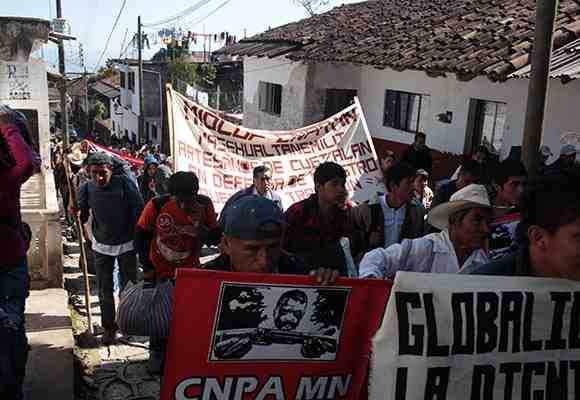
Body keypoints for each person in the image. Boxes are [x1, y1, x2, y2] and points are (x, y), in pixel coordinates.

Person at [135, 171, 221, 373]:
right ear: (171, 195)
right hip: (159, 271)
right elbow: (140, 236)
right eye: (179, 201)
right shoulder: (156, 205)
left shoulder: (205, 205)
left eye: (188, 201)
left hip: (189, 273)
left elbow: (215, 237)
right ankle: (157, 357)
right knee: (160, 318)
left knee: (185, 317)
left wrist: (203, 232)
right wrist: (147, 268)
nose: (183, 206)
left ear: (196, 195)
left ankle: (181, 358)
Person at [76, 152, 144, 345]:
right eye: (94, 173)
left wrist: (139, 237)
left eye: (102, 173)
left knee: (129, 286)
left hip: (127, 244)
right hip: (101, 245)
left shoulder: (125, 183)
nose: (98, 178)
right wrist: (77, 213)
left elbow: (139, 210)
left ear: (111, 171)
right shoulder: (87, 188)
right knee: (105, 289)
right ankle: (109, 327)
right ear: (89, 172)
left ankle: (128, 322)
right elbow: (82, 211)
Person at [464, 166, 580, 278]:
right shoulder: (482, 289)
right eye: (578, 238)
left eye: (523, 184)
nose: (520, 190)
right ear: (538, 237)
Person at [359, 184, 491, 279]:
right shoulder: (427, 248)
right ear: (454, 222)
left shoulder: (481, 261)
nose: (485, 229)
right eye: (477, 221)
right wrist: (371, 282)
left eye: (487, 222)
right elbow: (375, 258)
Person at [203, 195, 338, 282]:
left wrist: (325, 285)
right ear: (226, 244)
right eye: (252, 249)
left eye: (273, 247)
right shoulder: (202, 281)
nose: (264, 261)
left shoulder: (301, 273)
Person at [0, 107, 40, 400]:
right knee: (11, 333)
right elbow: (27, 162)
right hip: (11, 264)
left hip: (10, 265)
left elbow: (26, 163)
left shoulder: (5, 181)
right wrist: (8, 127)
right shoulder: (6, 181)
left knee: (11, 333)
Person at [283, 162, 357, 276]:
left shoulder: (344, 215)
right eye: (334, 184)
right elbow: (281, 250)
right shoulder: (297, 212)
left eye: (342, 184)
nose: (341, 189)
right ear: (318, 187)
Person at [350, 162, 425, 260]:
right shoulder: (366, 210)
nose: (413, 187)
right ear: (393, 185)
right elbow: (353, 245)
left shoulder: (417, 211)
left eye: (413, 182)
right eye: (408, 183)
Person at [486, 160, 527, 261]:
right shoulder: (481, 210)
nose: (521, 190)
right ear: (497, 186)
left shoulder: (527, 213)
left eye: (524, 184)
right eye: (515, 184)